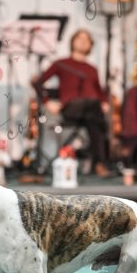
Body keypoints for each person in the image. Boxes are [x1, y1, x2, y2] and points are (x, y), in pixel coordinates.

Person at [32, 28, 111, 177]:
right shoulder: (61, 63)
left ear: (91, 45)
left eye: (87, 39)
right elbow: (38, 83)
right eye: (79, 38)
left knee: (95, 117)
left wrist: (104, 102)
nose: (83, 41)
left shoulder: (92, 69)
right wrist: (47, 102)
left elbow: (100, 92)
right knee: (96, 113)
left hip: (91, 112)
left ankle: (99, 163)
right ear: (72, 42)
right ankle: (101, 163)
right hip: (71, 109)